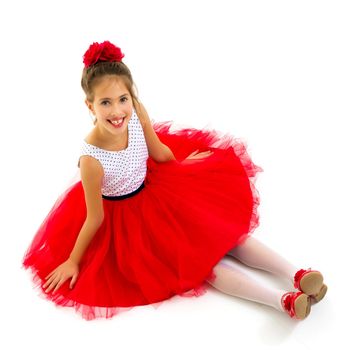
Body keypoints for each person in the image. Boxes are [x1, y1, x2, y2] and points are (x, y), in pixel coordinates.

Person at [22, 40, 327, 321]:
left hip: (159, 191)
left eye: (122, 99)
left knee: (225, 234)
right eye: (105, 103)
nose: (116, 111)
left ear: (132, 97)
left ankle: (297, 274)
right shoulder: (91, 160)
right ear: (90, 106)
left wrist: (185, 167)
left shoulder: (136, 115)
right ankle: (282, 299)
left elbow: (159, 153)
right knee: (201, 266)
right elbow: (94, 218)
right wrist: (74, 260)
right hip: (128, 222)